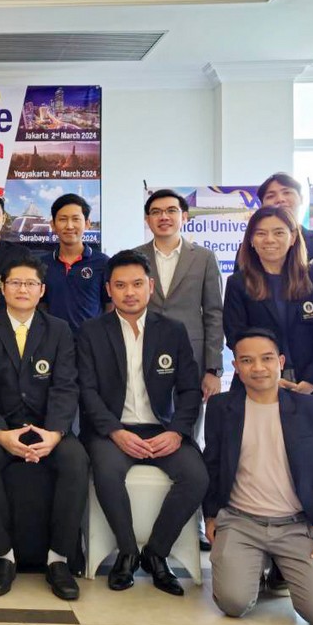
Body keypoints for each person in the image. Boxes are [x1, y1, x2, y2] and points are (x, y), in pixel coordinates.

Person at [204, 328, 313, 625]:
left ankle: (283, 564)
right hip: (241, 521)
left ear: (280, 362)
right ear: (235, 366)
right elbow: (212, 465)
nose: (258, 368)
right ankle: (258, 562)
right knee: (233, 603)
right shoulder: (222, 408)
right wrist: (210, 515)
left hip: (297, 524)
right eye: (247, 360)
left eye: (267, 359)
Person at [77, 250, 207, 597]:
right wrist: (115, 431)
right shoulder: (91, 332)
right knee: (107, 473)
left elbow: (190, 390)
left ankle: (156, 552)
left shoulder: (173, 331)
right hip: (111, 430)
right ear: (108, 289)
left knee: (196, 476)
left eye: (137, 284)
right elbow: (86, 391)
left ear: (150, 286)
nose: (129, 292)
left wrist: (177, 432)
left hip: (161, 430)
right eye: (120, 286)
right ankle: (127, 552)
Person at [0, 256, 88, 600]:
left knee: (76, 460)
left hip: (47, 427)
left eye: (30, 283)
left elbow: (66, 386)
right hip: (0, 426)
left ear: (42, 290)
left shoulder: (59, 330)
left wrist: (55, 433)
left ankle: (59, 559)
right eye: (15, 283)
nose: (23, 289)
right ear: (2, 288)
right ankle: (2, 557)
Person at [225, 207, 313, 398]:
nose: (269, 240)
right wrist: (268, 378)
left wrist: (312, 381)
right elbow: (235, 335)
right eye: (261, 233)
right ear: (251, 240)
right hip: (257, 382)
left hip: (312, 385)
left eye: (278, 233)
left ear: (293, 237)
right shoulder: (238, 283)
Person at [134, 189, 224, 405]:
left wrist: (213, 369)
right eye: (156, 212)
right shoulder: (134, 257)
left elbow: (214, 314)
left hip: (193, 356)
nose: (163, 217)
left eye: (171, 211)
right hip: (144, 354)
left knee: (190, 417)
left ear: (184, 217)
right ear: (147, 220)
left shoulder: (204, 258)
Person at [257, 173, 313, 283]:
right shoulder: (253, 246)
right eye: (271, 196)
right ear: (262, 205)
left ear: (301, 199)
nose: (280, 199)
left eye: (287, 192)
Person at [41, 193, 109, 334]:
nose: (69, 226)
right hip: (53, 341)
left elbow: (110, 305)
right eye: (63, 219)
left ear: (87, 224)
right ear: (53, 225)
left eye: (76, 219)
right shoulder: (42, 264)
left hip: (92, 341)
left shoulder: (103, 263)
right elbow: (41, 305)